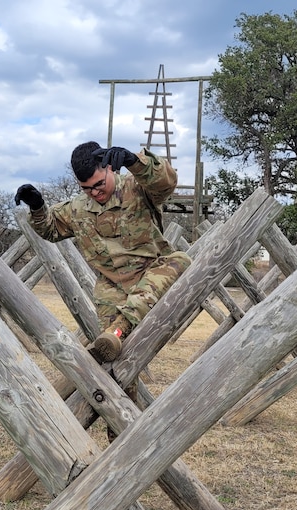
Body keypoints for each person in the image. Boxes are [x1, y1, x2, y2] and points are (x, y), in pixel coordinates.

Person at [15, 141, 192, 364]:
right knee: (116, 364)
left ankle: (122, 326)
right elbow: (50, 229)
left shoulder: (137, 188)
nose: (95, 192)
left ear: (109, 167)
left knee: (180, 260)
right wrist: (37, 206)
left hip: (152, 277)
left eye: (99, 184)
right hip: (112, 290)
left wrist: (135, 162)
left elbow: (166, 183)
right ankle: (121, 384)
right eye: (86, 188)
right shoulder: (77, 209)